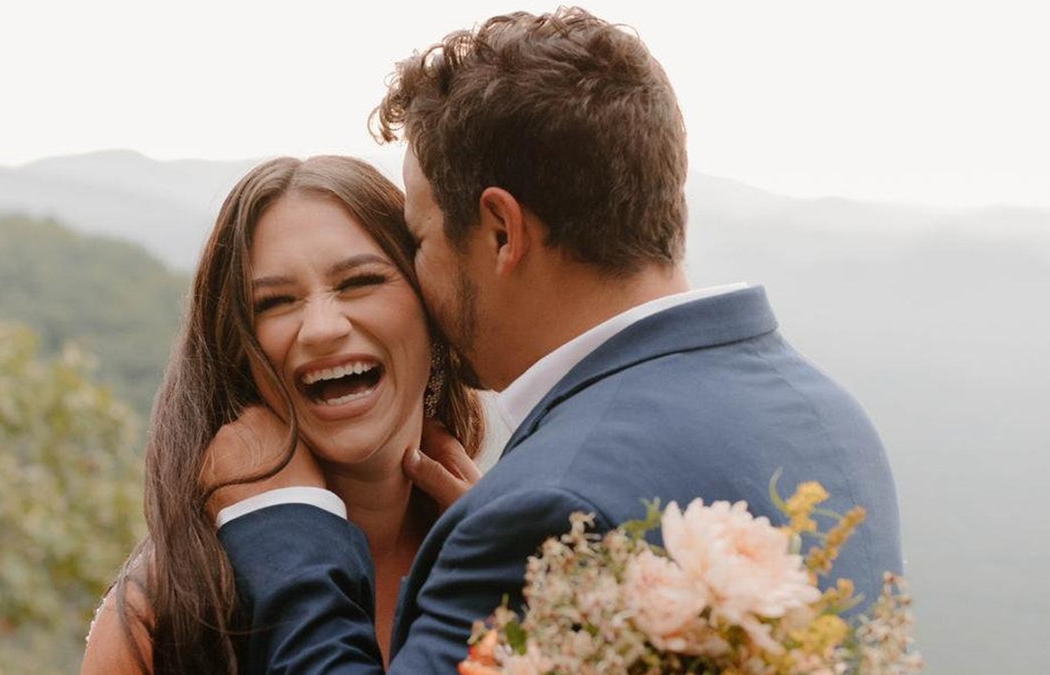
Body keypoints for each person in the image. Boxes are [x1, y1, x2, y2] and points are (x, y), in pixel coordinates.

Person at [211, 6, 906, 674]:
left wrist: (284, 524)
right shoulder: (833, 417)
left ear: (501, 232)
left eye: (419, 240)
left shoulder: (545, 506)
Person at [79, 155, 486, 673]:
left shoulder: (502, 559)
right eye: (273, 302)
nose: (321, 328)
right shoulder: (167, 609)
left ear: (434, 308)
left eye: (359, 281)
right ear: (240, 354)